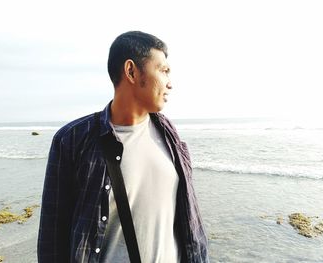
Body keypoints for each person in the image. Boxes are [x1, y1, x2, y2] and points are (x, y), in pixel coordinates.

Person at [37, 31, 208, 263]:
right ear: (131, 71)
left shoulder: (169, 133)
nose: (170, 83)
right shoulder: (73, 140)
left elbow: (190, 223)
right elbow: (52, 239)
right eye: (163, 70)